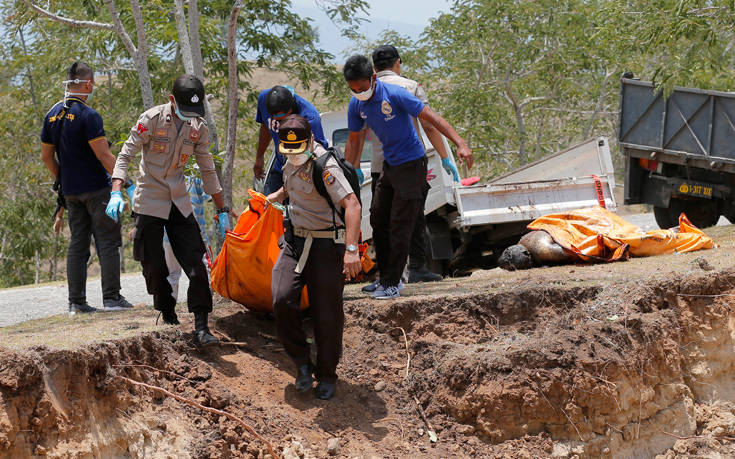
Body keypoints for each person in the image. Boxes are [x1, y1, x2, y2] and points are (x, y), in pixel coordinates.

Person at [106, 74, 231, 347]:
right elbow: (125, 155)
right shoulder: (150, 120)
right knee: (153, 266)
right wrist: (116, 190)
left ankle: (201, 327)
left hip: (178, 199)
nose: (190, 118)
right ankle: (167, 312)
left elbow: (208, 169)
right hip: (149, 199)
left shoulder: (198, 128)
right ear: (172, 100)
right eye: (185, 111)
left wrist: (222, 209)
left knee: (196, 265)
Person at [343, 54, 474, 300]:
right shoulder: (356, 104)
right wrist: (352, 168)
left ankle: (392, 285)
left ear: (373, 78)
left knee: (400, 225)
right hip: (390, 166)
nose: (359, 93)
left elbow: (432, 120)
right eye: (353, 89)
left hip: (412, 165)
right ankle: (384, 278)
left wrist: (460, 144)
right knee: (379, 220)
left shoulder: (395, 94)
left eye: (362, 88)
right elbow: (353, 138)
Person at [267, 115, 361, 400]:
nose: (294, 156)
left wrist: (351, 250)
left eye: (299, 150)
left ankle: (328, 374)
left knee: (326, 314)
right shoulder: (288, 160)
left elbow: (352, 205)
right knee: (282, 298)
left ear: (309, 141)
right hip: (295, 242)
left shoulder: (325, 165)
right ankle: (301, 363)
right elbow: (290, 188)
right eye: (289, 151)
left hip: (325, 247)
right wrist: (269, 199)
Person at [40, 61, 133, 315]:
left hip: (71, 192)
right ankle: (112, 299)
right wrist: (127, 180)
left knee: (78, 246)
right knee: (107, 241)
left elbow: (47, 157)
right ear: (88, 84)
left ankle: (76, 303)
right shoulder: (89, 116)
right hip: (97, 189)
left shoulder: (52, 114)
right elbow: (104, 156)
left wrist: (64, 178)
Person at [253, 85, 329, 195]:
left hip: (306, 173)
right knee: (267, 207)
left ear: (291, 108)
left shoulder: (310, 118)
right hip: (281, 167)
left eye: (282, 119)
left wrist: (285, 190)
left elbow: (317, 157)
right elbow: (265, 127)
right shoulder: (264, 99)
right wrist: (259, 157)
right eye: (275, 120)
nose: (280, 124)